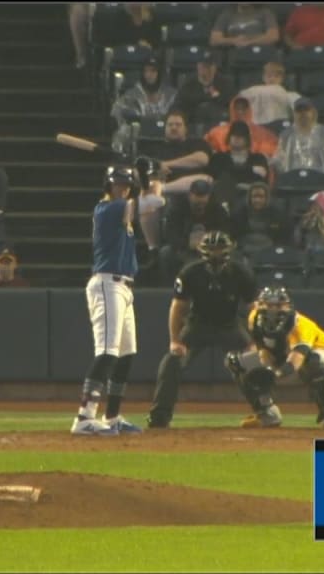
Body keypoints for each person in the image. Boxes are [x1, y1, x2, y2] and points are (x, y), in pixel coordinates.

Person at [148, 232, 258, 428]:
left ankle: (264, 410)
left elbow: (254, 309)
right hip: (197, 325)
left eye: (219, 250)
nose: (216, 254)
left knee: (253, 360)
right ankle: (160, 416)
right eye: (212, 250)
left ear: (228, 251)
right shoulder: (190, 272)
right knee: (171, 362)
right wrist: (175, 340)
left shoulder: (241, 272)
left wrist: (255, 342)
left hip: (229, 325)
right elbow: (177, 308)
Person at [72, 165, 144, 436]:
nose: (122, 187)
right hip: (107, 283)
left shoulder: (120, 207)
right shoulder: (107, 209)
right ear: (108, 185)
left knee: (126, 354)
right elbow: (136, 206)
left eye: (126, 184)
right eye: (118, 183)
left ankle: (112, 416)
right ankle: (84, 416)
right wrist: (145, 179)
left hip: (124, 286)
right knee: (107, 352)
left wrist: (142, 179)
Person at [225, 285, 324, 429]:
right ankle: (267, 413)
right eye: (268, 305)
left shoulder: (302, 325)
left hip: (322, 353)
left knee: (314, 364)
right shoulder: (254, 318)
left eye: (279, 305)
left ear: (289, 307)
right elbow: (263, 349)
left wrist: (275, 374)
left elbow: (297, 360)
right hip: (281, 355)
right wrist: (267, 368)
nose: (273, 310)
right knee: (234, 362)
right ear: (259, 304)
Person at [159, 179, 232, 284]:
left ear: (209, 196)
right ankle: (170, 287)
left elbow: (225, 232)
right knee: (165, 253)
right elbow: (170, 234)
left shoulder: (218, 209)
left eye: (203, 196)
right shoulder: (177, 208)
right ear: (190, 195)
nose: (200, 200)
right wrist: (187, 243)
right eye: (197, 195)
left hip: (211, 248)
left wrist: (208, 243)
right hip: (184, 248)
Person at [110, 57, 178, 154]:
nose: (149, 75)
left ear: (159, 74)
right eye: (146, 71)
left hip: (166, 135)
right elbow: (116, 112)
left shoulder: (171, 95)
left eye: (153, 71)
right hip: (139, 137)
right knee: (123, 131)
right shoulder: (131, 94)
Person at [207, 121, 271, 204]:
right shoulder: (219, 157)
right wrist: (251, 170)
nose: (236, 138)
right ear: (229, 137)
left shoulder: (258, 158)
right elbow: (219, 174)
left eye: (241, 136)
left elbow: (262, 182)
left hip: (251, 201)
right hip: (224, 198)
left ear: (247, 139)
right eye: (234, 135)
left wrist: (234, 174)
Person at [273, 97, 324, 175]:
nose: (303, 113)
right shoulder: (286, 135)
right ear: (294, 114)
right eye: (299, 111)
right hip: (293, 177)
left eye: (306, 110)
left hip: (320, 178)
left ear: (313, 112)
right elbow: (279, 162)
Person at [175, 52, 236, 132]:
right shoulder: (188, 84)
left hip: (220, 124)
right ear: (198, 67)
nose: (206, 70)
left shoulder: (225, 83)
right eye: (203, 66)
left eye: (209, 66)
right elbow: (181, 105)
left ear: (215, 67)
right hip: (193, 123)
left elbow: (231, 103)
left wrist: (215, 95)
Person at [205, 96, 278, 158]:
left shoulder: (265, 134)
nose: (240, 112)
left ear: (249, 110)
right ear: (232, 110)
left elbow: (269, 153)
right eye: (237, 108)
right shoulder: (215, 133)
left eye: (243, 109)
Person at [230, 182, 290, 254]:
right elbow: (234, 236)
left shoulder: (277, 215)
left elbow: (283, 237)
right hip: (244, 250)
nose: (257, 200)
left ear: (267, 198)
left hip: (270, 251)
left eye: (261, 197)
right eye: (254, 196)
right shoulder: (239, 214)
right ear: (249, 198)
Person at [237, 61, 301, 126]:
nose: (272, 78)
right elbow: (238, 101)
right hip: (256, 129)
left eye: (276, 76)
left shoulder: (292, 96)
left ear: (282, 78)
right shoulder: (252, 91)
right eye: (269, 75)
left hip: (279, 128)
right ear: (263, 77)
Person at [210, 4, 280, 49]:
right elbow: (214, 39)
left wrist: (249, 42)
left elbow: (273, 36)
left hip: (259, 52)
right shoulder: (227, 14)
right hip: (234, 53)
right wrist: (234, 41)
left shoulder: (265, 12)